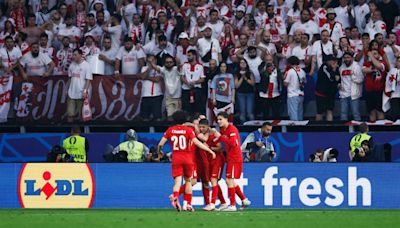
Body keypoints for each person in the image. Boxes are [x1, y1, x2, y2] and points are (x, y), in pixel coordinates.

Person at [157, 111, 216, 212]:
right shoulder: (188, 130)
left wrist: (159, 153)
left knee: (177, 182)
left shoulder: (170, 130)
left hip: (176, 158)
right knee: (188, 180)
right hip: (188, 158)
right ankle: (187, 204)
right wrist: (209, 150)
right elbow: (197, 142)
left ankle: (175, 196)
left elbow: (160, 144)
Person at [213, 111, 251, 211]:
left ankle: (232, 205)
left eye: (221, 119)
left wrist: (219, 136)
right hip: (230, 158)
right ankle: (244, 199)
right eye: (218, 119)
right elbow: (223, 144)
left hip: (235, 158)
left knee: (229, 180)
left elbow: (233, 144)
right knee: (230, 181)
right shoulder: (223, 130)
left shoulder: (231, 129)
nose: (219, 121)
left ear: (226, 119)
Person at [197, 118, 227, 211]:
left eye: (203, 127)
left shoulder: (213, 134)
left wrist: (209, 148)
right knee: (210, 181)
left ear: (208, 126)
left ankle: (212, 204)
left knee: (213, 180)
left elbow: (220, 148)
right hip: (208, 161)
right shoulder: (200, 136)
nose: (202, 129)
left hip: (217, 160)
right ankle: (223, 202)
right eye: (200, 127)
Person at [148, 55, 181, 120]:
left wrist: (178, 61)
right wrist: (151, 62)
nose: (169, 64)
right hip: (168, 97)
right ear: (164, 63)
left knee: (178, 117)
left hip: (178, 97)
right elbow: (156, 67)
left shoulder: (176, 69)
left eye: (170, 62)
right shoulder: (164, 70)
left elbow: (179, 65)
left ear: (173, 63)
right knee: (169, 116)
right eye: (167, 62)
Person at [66, 48, 93, 123]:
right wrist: (66, 89)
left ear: (80, 55)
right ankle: (70, 132)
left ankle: (80, 133)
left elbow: (88, 80)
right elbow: (69, 79)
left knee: (80, 116)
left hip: (81, 94)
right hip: (71, 93)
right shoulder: (71, 65)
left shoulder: (86, 65)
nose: (73, 56)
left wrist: (85, 91)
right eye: (73, 55)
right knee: (70, 114)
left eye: (75, 55)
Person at [339, 52, 364, 121]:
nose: (346, 59)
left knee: (355, 113)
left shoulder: (356, 67)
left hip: (354, 94)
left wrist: (353, 77)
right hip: (344, 94)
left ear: (352, 58)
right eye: (345, 58)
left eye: (348, 57)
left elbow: (361, 79)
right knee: (343, 113)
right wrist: (339, 85)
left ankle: (358, 130)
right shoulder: (341, 67)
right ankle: (343, 131)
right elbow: (339, 79)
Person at [315, 54, 340, 121]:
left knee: (330, 110)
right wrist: (334, 71)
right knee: (320, 112)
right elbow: (331, 77)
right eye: (332, 60)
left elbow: (338, 79)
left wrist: (335, 71)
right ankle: (317, 128)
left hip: (331, 93)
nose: (334, 62)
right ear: (328, 61)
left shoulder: (336, 68)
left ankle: (330, 128)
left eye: (334, 60)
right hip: (321, 93)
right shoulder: (324, 67)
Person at [180, 49, 205, 115]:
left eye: (189, 55)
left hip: (197, 89)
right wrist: (187, 83)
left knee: (197, 108)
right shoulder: (184, 65)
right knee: (186, 108)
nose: (188, 57)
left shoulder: (200, 66)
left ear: (194, 56)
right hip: (186, 89)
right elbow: (182, 77)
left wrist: (195, 82)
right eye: (187, 55)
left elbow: (202, 79)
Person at [284, 56, 306, 121]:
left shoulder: (290, 71)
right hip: (301, 94)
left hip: (292, 95)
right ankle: (300, 129)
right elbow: (304, 82)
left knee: (293, 114)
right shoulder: (302, 71)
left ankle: (295, 129)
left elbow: (285, 83)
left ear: (290, 63)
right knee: (300, 114)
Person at [234, 58, 255, 123]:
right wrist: (241, 77)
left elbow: (252, 83)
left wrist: (245, 77)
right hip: (240, 94)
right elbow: (236, 85)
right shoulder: (236, 73)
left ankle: (252, 126)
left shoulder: (250, 72)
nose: (243, 64)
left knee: (250, 113)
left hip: (250, 93)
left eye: (244, 63)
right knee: (242, 112)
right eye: (241, 63)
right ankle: (243, 128)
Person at [384, 56, 400, 121]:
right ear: (396, 63)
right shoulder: (392, 71)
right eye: (398, 61)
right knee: (395, 114)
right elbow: (389, 82)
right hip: (395, 95)